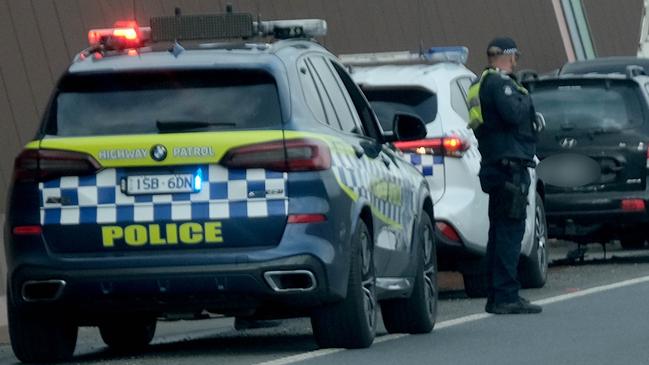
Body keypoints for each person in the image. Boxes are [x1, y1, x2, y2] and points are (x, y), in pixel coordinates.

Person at [467, 37, 542, 314]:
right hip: (509, 167)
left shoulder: (480, 82)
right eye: (515, 57)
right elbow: (513, 114)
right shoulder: (501, 85)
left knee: (499, 232)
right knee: (510, 232)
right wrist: (525, 96)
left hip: (496, 165)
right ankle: (506, 296)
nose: (516, 62)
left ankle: (497, 295)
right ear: (509, 56)